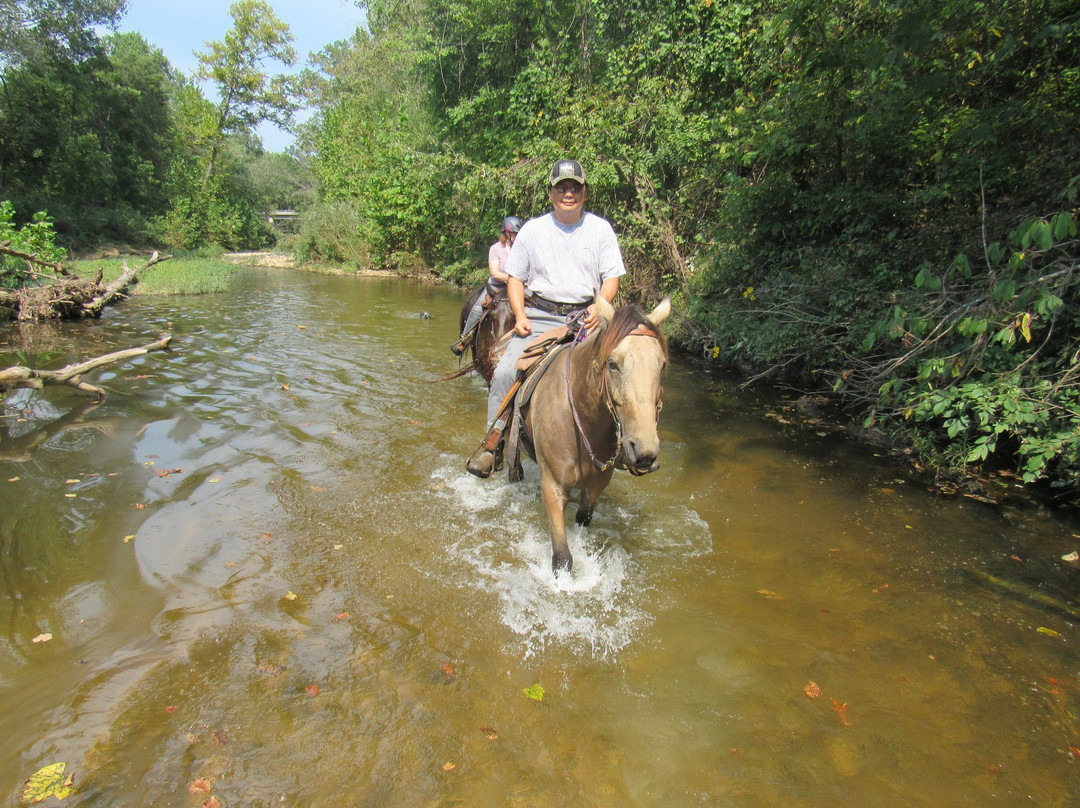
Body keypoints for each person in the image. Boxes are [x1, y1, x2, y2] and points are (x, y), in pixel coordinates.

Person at [466, 158, 626, 478]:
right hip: (539, 314)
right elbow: (515, 279)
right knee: (504, 372)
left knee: (623, 367)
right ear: (551, 193)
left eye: (575, 187)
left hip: (588, 317)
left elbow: (611, 278)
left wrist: (600, 305)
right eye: (562, 187)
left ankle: (626, 444)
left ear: (585, 192)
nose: (569, 193)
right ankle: (492, 445)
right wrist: (521, 314)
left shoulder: (600, 230)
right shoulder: (533, 230)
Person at [452, 215, 522, 356]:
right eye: (513, 233)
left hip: (518, 288)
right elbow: (495, 272)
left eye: (517, 234)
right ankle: (464, 339)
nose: (515, 236)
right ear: (506, 233)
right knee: (477, 310)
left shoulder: (522, 249)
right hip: (496, 288)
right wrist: (513, 279)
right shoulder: (496, 249)